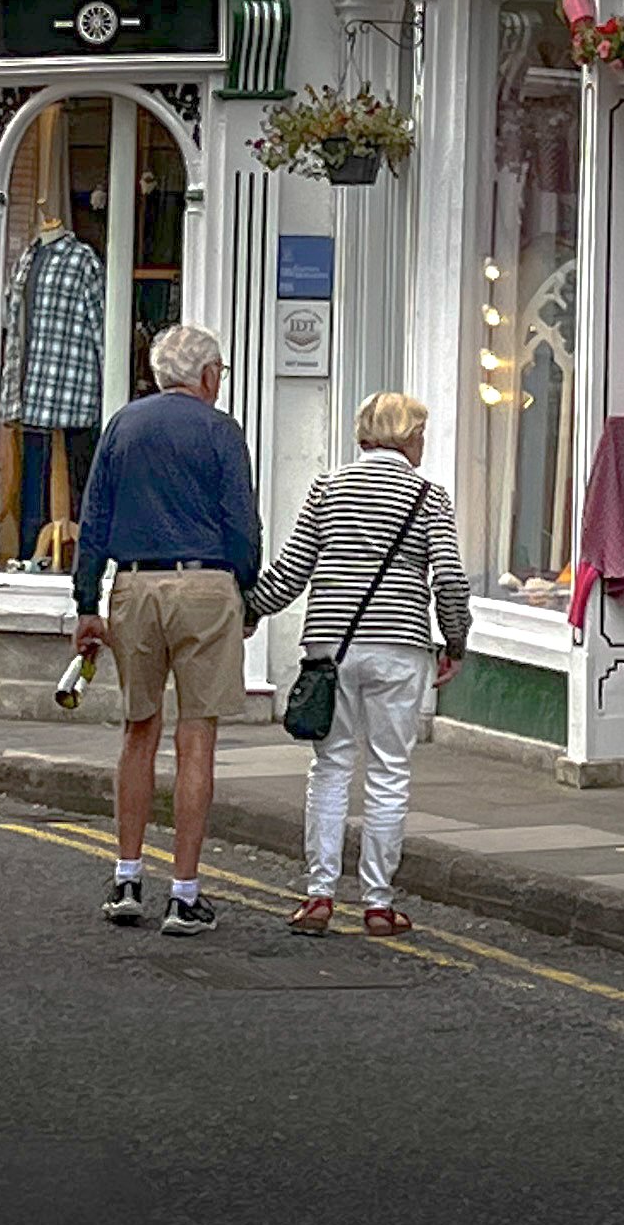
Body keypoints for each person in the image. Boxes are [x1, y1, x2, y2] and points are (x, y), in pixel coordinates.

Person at [245, 393, 471, 937]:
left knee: (329, 769)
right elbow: (449, 580)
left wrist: (248, 609)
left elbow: (291, 571)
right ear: (408, 436)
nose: (423, 444)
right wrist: (455, 642)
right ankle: (377, 902)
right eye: (421, 434)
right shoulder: (428, 496)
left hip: (331, 649)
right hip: (400, 647)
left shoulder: (327, 488)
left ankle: (319, 895)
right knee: (389, 772)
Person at [74, 324, 260, 938]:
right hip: (205, 584)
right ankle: (184, 894)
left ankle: (127, 878)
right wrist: (246, 593)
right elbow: (242, 526)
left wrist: (86, 604)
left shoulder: (124, 425)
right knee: (196, 737)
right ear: (207, 375)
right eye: (221, 373)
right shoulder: (220, 431)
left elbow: (93, 517)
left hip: (134, 586)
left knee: (137, 730)